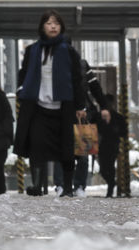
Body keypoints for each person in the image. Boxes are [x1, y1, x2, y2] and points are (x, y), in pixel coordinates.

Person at [13, 9, 86, 197]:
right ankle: (37, 185)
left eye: (56, 23)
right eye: (49, 23)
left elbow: (77, 80)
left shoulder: (68, 51)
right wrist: (21, 89)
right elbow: (23, 74)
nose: (53, 26)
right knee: (36, 145)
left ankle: (68, 187)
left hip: (63, 107)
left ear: (61, 27)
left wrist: (80, 106)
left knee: (67, 148)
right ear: (42, 27)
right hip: (38, 106)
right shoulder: (32, 51)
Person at [54, 58, 112, 197]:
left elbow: (95, 87)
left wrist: (104, 106)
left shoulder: (82, 65)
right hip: (60, 114)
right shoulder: (52, 63)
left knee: (83, 153)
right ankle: (60, 186)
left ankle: (79, 186)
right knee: (60, 153)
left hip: (83, 114)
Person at [96, 93, 128, 197]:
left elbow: (124, 132)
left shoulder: (118, 118)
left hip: (113, 145)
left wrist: (116, 131)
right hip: (102, 145)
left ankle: (110, 189)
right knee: (103, 169)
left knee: (109, 167)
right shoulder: (99, 117)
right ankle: (111, 183)